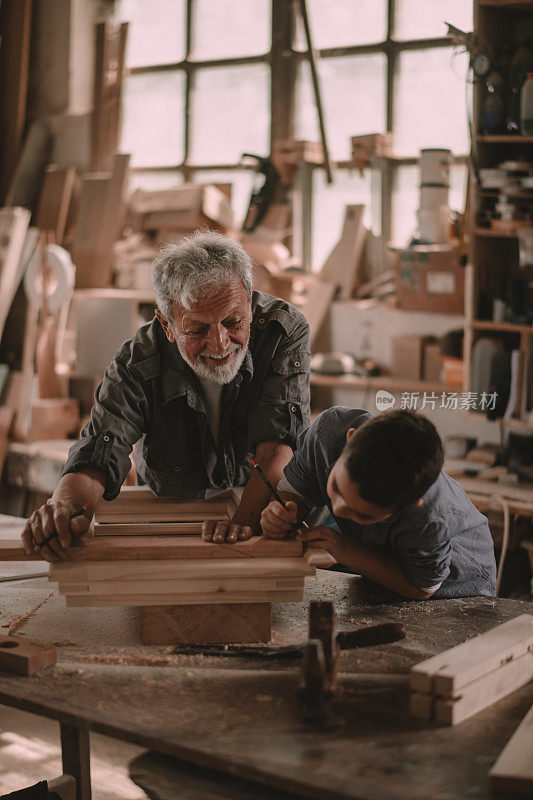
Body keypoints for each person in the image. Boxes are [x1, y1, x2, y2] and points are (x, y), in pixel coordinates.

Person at [22, 231, 310, 561]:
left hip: (255, 504)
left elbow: (277, 444)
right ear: (167, 324)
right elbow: (101, 448)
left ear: (249, 303)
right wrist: (66, 506)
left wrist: (242, 525)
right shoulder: (137, 361)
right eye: (198, 329)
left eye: (233, 321)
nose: (219, 344)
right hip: (169, 509)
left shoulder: (281, 330)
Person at [260, 407, 497, 599]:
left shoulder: (429, 518)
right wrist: (282, 513)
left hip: (455, 582)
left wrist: (344, 550)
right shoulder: (328, 434)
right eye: (336, 488)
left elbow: (422, 588)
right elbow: (293, 492)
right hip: (381, 549)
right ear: (350, 439)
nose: (339, 508)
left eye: (362, 514)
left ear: (409, 504)